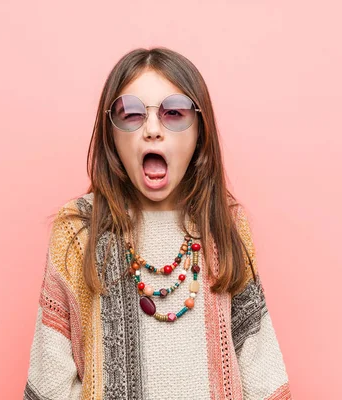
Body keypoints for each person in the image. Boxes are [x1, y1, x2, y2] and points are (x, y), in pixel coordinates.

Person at [23, 47, 292, 400]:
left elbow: (260, 367)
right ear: (111, 134)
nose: (152, 129)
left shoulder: (223, 226)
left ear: (199, 132)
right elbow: (51, 381)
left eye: (174, 113)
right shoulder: (79, 230)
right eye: (131, 114)